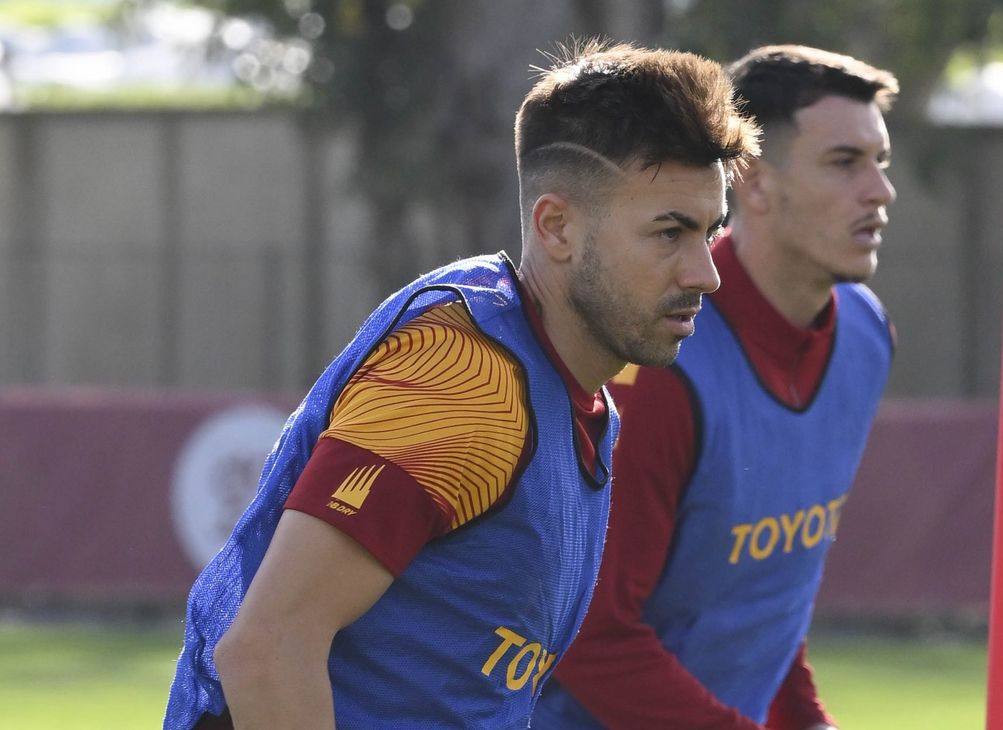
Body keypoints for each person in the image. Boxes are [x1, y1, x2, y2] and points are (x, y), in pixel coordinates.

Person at [163, 39, 758, 729]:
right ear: (556, 226)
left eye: (709, 232)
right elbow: (267, 649)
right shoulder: (466, 381)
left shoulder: (574, 396)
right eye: (669, 233)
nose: (705, 272)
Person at [532, 44, 899, 730]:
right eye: (845, 163)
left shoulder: (867, 335)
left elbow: (766, 603)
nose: (880, 191)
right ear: (752, 180)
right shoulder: (657, 361)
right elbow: (589, 636)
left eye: (881, 162)